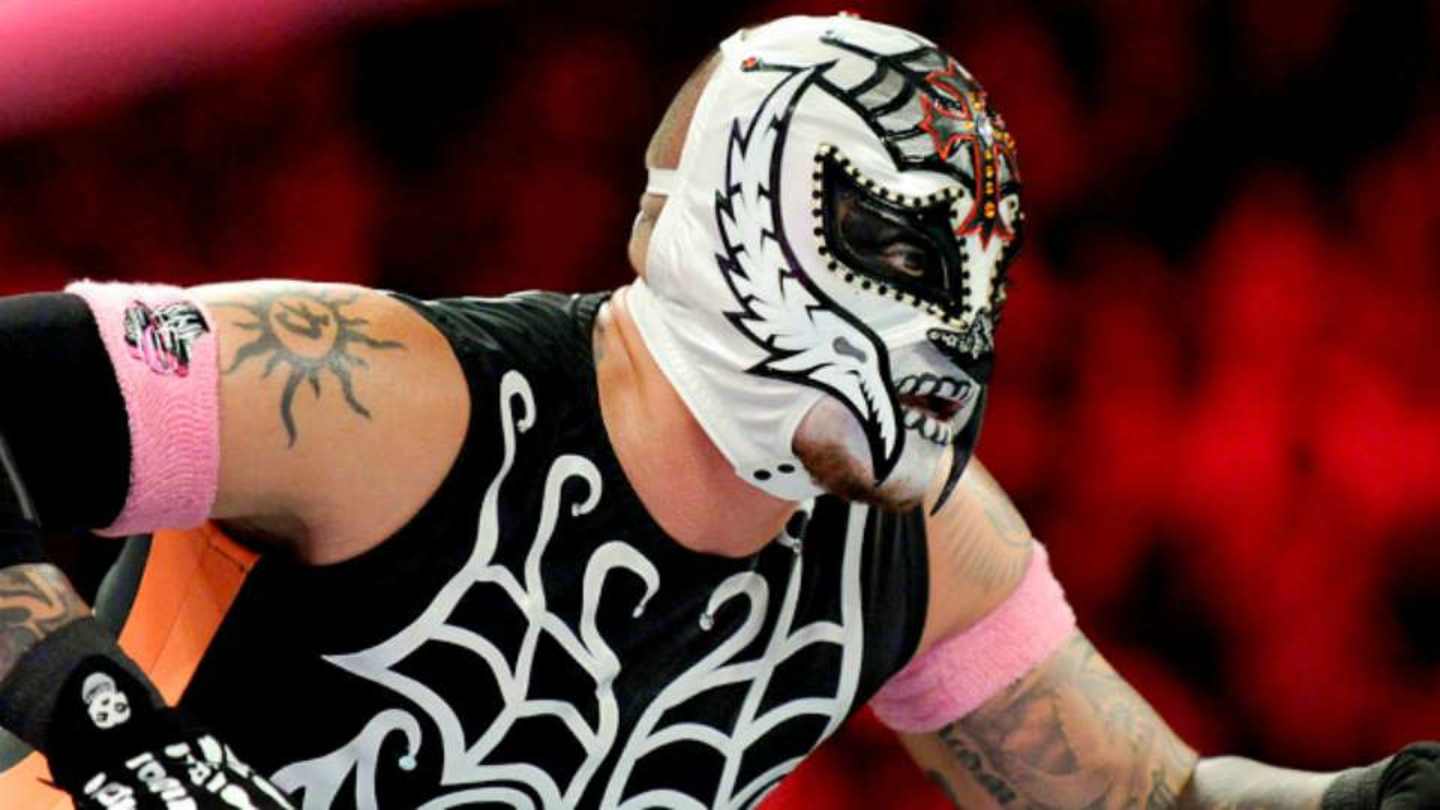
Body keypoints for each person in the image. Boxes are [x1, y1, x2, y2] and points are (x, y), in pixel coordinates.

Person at [0, 13, 1435, 810]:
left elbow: (1153, 805)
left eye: (979, 268)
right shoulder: (392, 400)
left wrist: (1374, 801)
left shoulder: (910, 551)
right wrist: (101, 718)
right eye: (892, 241)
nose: (951, 322)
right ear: (727, 211)